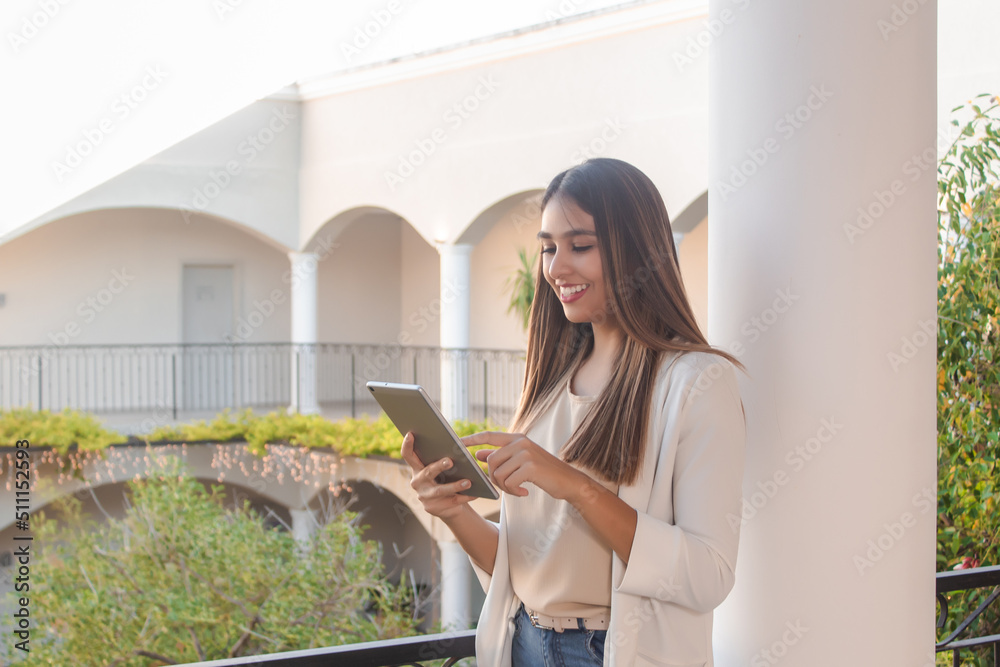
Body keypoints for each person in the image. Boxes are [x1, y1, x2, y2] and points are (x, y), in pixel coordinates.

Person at [401, 157, 747, 666]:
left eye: (580, 246)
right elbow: (523, 566)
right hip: (523, 642)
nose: (556, 267)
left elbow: (708, 575)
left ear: (637, 252)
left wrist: (576, 487)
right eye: (547, 248)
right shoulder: (551, 381)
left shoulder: (694, 382)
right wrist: (453, 511)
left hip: (608, 652)